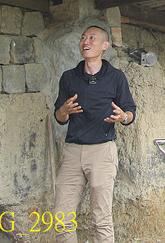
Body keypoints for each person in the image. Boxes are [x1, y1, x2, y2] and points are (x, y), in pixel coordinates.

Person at [53, 25, 136, 243]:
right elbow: (59, 117)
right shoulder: (69, 78)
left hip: (102, 151)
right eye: (82, 38)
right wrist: (63, 111)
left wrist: (122, 117)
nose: (85, 42)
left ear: (105, 46)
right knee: (61, 218)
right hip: (72, 152)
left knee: (101, 218)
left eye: (92, 38)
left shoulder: (116, 77)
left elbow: (130, 112)